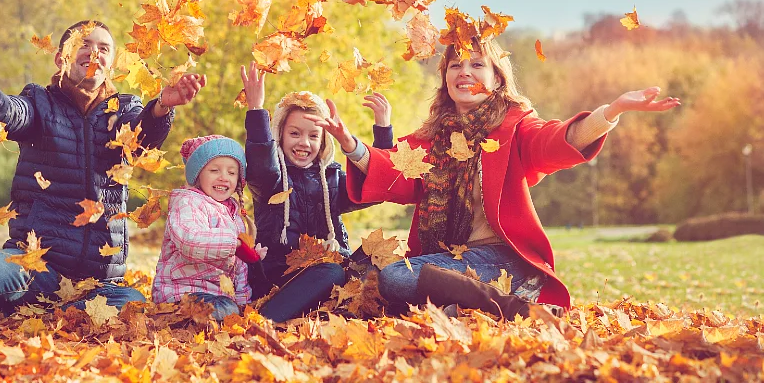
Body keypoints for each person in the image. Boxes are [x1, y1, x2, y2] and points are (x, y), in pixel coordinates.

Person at [310, 38, 680, 319]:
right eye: (455, 65)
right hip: (448, 260)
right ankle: (463, 312)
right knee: (365, 271)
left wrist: (612, 111)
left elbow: (555, 141)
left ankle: (525, 309)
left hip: (504, 260)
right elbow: (394, 171)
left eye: (476, 64)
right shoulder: (432, 138)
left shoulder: (514, 126)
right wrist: (349, 143)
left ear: (496, 78)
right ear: (445, 77)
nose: (464, 72)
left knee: (395, 279)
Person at [0, 20, 205, 315]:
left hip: (98, 282)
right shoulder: (39, 102)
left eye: (103, 48)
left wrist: (162, 106)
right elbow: (12, 114)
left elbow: (142, 138)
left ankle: (59, 310)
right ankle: (52, 305)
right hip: (35, 267)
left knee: (132, 304)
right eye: (83, 44)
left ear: (111, 63)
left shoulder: (125, 110)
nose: (94, 53)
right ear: (60, 58)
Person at [240, 62, 395, 322]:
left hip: (331, 266)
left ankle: (343, 310)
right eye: (294, 133)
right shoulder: (271, 179)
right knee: (331, 273)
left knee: (376, 258)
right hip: (281, 276)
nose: (304, 142)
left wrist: (383, 131)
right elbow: (260, 165)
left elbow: (375, 188)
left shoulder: (331, 179)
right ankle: (266, 319)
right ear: (280, 135)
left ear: (323, 141)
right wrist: (256, 110)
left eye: (313, 136)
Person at [151, 135, 266, 321]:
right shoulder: (188, 203)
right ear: (198, 175)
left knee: (231, 311)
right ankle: (178, 319)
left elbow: (239, 269)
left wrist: (244, 303)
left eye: (232, 173)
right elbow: (190, 242)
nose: (224, 177)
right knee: (222, 310)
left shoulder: (234, 215)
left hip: (218, 295)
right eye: (214, 170)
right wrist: (234, 244)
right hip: (182, 292)